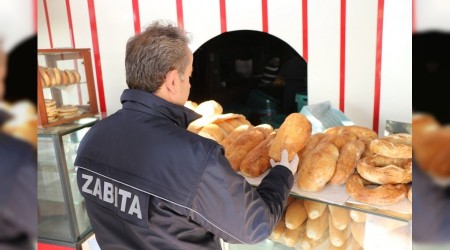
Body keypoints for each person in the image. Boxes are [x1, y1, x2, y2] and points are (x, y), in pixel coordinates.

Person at [75, 20, 298, 250]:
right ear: (172, 81)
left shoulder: (92, 138)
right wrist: (282, 174)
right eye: (189, 76)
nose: (190, 84)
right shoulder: (196, 157)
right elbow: (254, 226)